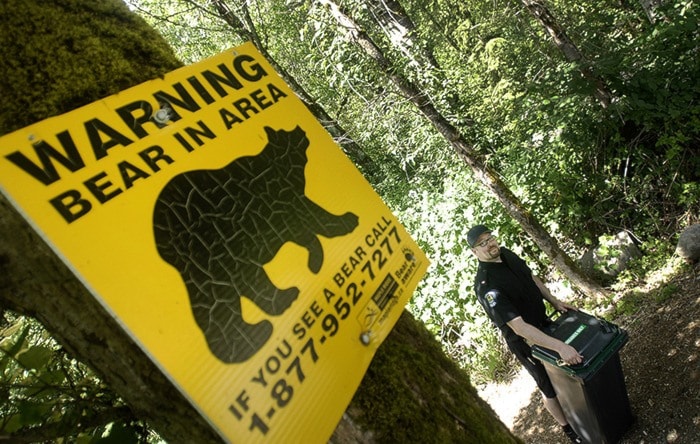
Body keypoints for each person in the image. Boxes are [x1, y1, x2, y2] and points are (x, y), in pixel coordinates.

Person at [468, 224, 583, 444]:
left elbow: (531, 278)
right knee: (547, 385)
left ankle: (582, 412)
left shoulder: (507, 254)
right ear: (474, 252)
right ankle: (569, 430)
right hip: (525, 341)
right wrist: (559, 346)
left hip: (543, 323)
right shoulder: (486, 286)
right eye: (482, 243)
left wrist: (555, 301)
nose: (490, 244)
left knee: (564, 373)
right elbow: (519, 327)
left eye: (490, 237)